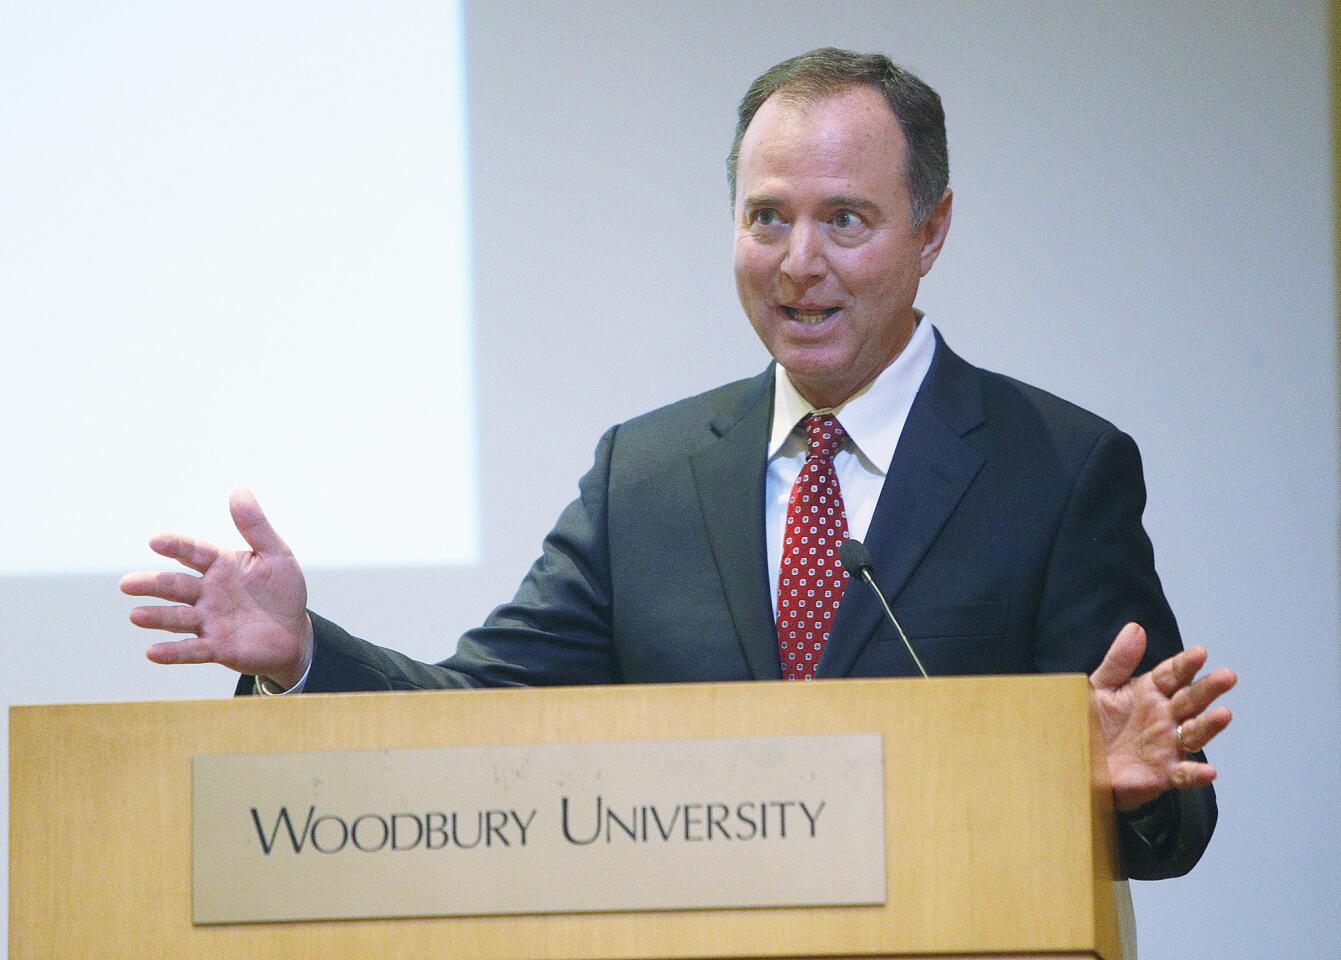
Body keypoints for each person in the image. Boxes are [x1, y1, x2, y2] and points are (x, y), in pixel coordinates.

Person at [120, 48, 1235, 880]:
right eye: (766, 219)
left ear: (932, 230)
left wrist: (1115, 794)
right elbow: (472, 713)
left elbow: (1166, 803)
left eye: (846, 219)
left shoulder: (1059, 468)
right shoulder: (644, 477)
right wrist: (305, 656)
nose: (799, 265)